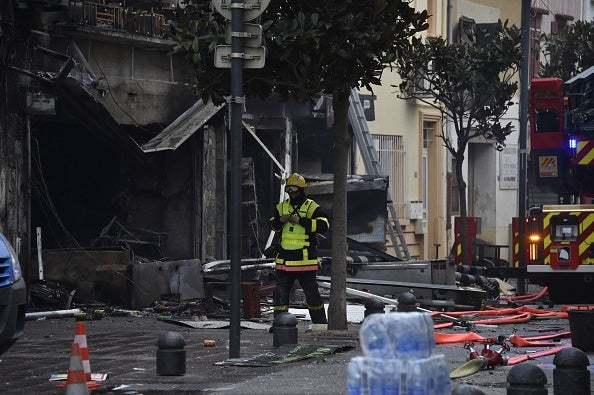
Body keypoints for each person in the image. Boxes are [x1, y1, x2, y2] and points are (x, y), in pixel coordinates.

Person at [269, 173, 330, 324]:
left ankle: (320, 324)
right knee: (281, 296)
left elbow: (324, 226)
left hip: (304, 261)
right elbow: (272, 224)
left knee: (312, 295)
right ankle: (280, 325)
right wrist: (279, 220)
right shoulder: (282, 207)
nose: (292, 194)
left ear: (302, 190)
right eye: (289, 191)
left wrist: (302, 221)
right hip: (284, 260)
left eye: (295, 191)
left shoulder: (311, 207)